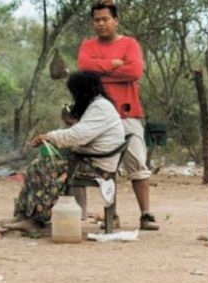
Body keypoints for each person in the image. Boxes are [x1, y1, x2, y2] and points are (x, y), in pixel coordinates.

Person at [3, 72, 125, 233]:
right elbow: (79, 133)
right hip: (90, 160)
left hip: (96, 164)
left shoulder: (100, 107)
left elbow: (78, 135)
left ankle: (36, 220)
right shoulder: (97, 105)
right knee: (36, 166)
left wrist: (49, 136)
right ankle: (24, 214)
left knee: (43, 168)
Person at [77, 1, 159, 231]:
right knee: (105, 166)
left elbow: (135, 71)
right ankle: (110, 215)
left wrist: (99, 71)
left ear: (116, 20)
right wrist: (113, 66)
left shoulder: (130, 44)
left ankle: (146, 214)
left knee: (138, 163)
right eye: (96, 20)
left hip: (126, 113)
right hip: (96, 116)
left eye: (105, 19)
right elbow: (83, 68)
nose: (101, 24)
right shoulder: (87, 45)